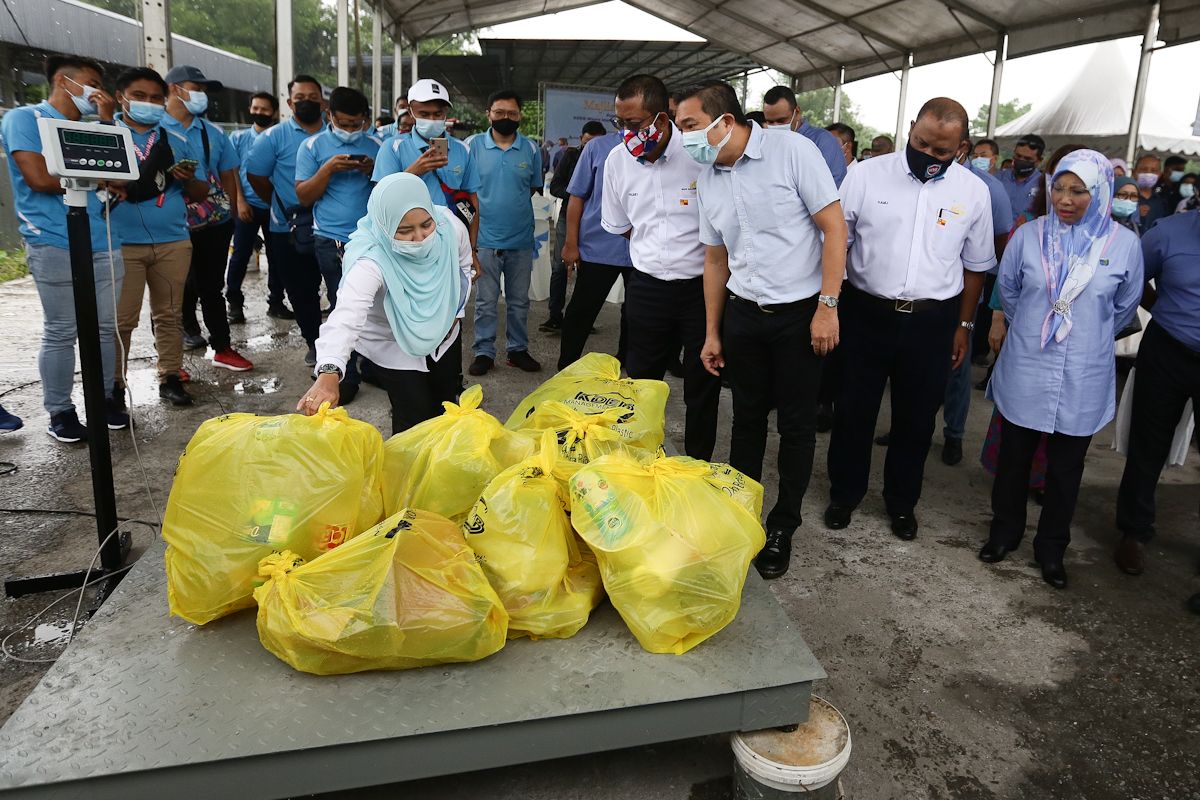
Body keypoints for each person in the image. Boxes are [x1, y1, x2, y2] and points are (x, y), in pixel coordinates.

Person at [678, 81, 846, 580]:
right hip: (744, 314)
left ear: (724, 122)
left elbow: (834, 228)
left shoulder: (792, 151)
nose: (681, 136)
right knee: (747, 419)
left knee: (795, 425)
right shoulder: (707, 174)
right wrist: (713, 332)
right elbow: (714, 258)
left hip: (800, 315)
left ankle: (782, 526)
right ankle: (743, 516)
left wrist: (827, 307)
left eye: (688, 126)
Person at [825, 98, 994, 540]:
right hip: (864, 312)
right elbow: (837, 242)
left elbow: (975, 267)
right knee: (853, 412)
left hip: (932, 322)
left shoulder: (972, 192)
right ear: (912, 128)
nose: (929, 156)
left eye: (942, 152)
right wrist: (829, 305)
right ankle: (845, 494)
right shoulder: (865, 175)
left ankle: (902, 503)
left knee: (917, 420)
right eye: (921, 143)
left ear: (961, 148)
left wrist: (963, 326)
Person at [980, 150, 1143, 589]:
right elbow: (1010, 293)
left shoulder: (1123, 244)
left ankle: (1051, 549)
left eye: (1079, 190)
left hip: (1084, 370)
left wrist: (1083, 332)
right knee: (1014, 459)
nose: (1065, 199)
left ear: (1101, 192)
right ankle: (1004, 533)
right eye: (1059, 188)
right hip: (1028, 363)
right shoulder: (1028, 236)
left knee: (1066, 470)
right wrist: (1038, 323)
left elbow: (1123, 306)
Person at [1, 55, 128, 441]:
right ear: (62, 80)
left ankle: (106, 398)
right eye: (90, 83)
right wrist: (93, 178)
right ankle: (61, 410)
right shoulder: (25, 119)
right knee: (62, 330)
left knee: (107, 328)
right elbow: (39, 177)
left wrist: (107, 124)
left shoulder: (93, 126)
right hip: (53, 239)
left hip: (102, 238)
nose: (97, 93)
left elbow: (118, 173)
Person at [601, 74, 720, 460]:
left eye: (634, 124)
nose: (627, 132)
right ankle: (639, 460)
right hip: (648, 286)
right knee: (641, 380)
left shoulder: (697, 155)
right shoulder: (618, 162)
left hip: (702, 288)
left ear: (662, 119)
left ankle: (697, 463)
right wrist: (655, 253)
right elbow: (621, 226)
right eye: (620, 123)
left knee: (703, 381)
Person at [298, 173, 473, 435]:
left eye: (426, 225)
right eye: (404, 231)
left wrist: (455, 313)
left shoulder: (449, 226)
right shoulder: (370, 259)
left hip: (445, 332)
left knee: (446, 405)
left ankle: (440, 469)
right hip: (393, 342)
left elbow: (463, 268)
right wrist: (329, 372)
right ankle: (408, 473)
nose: (420, 237)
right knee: (413, 417)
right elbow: (346, 315)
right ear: (384, 225)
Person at [1114, 208, 1199, 585]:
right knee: (1148, 443)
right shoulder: (1168, 233)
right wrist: (1164, 307)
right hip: (1168, 349)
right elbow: (1133, 279)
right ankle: (1134, 531)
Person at [108, 67, 201, 408]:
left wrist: (188, 178)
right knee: (122, 320)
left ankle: (171, 377)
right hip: (119, 241)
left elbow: (203, 190)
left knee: (170, 314)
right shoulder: (104, 134)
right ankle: (114, 385)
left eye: (156, 98)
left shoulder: (176, 139)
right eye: (139, 96)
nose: (149, 103)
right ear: (121, 97)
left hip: (172, 240)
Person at [295, 86, 382, 403]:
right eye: (343, 123)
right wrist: (328, 168)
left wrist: (373, 170)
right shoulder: (312, 146)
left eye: (355, 124)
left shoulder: (377, 145)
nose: (349, 130)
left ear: (365, 120)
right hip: (330, 238)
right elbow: (303, 195)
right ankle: (345, 375)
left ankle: (373, 365)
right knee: (341, 303)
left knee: (374, 307)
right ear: (328, 115)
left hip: (371, 239)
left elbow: (388, 190)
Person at [163, 65, 252, 372]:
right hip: (169, 223)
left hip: (213, 222)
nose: (201, 96)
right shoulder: (155, 130)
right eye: (195, 88)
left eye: (203, 90)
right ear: (175, 89)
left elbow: (229, 174)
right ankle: (172, 361)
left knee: (211, 286)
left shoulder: (213, 133)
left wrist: (231, 209)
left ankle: (223, 346)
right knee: (172, 291)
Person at [939, 137, 1012, 465]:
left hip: (963, 295)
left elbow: (996, 244)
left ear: (961, 148)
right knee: (917, 369)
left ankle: (953, 434)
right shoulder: (928, 177)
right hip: (929, 297)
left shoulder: (987, 188)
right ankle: (909, 428)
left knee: (956, 367)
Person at [247, 74, 328, 367]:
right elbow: (256, 176)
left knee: (340, 289)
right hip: (288, 228)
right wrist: (278, 202)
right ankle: (314, 342)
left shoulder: (336, 134)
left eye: (313, 97)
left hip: (333, 228)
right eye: (300, 98)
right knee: (300, 289)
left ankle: (346, 346)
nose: (307, 102)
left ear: (323, 100)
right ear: (289, 101)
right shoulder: (274, 138)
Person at [467, 89, 543, 375]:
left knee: (519, 301)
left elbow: (533, 187)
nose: (506, 118)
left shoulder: (532, 149)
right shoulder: (472, 146)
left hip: (521, 239)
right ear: (488, 114)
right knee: (485, 302)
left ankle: (517, 350)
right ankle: (484, 352)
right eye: (499, 113)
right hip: (484, 239)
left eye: (512, 113)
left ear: (520, 116)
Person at [557, 122, 633, 370]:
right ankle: (567, 366)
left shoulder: (662, 151)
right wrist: (571, 243)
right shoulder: (597, 148)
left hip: (644, 251)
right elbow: (576, 197)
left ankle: (627, 363)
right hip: (598, 247)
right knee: (582, 310)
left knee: (637, 314)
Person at [372, 80, 479, 253]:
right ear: (410, 111)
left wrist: (472, 249)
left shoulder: (462, 150)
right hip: (408, 243)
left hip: (454, 242)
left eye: (438, 114)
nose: (432, 120)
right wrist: (414, 172)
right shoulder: (393, 147)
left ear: (446, 112)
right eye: (424, 113)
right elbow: (380, 198)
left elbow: (472, 200)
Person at [227, 91, 291, 323]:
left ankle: (276, 302)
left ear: (274, 112)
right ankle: (234, 303)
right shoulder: (238, 138)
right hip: (248, 207)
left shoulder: (279, 137)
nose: (258, 113)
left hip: (275, 207)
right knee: (240, 256)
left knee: (277, 257)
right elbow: (232, 171)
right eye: (255, 108)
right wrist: (240, 201)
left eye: (264, 109)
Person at [542, 120, 605, 333]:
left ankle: (583, 318)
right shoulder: (570, 156)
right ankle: (554, 316)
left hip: (596, 221)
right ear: (581, 139)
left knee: (590, 270)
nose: (591, 148)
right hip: (568, 217)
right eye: (587, 143)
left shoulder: (610, 158)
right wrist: (578, 195)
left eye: (596, 143)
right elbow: (556, 186)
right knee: (561, 266)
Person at [761, 85, 846, 187]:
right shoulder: (765, 143)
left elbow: (826, 187)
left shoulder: (822, 141)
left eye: (781, 121)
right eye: (770, 122)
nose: (775, 126)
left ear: (797, 112)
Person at [999, 134, 1044, 224]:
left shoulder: (1043, 185)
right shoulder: (998, 179)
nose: (1021, 160)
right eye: (1018, 156)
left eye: (1027, 158)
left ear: (1039, 161)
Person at [1131, 153, 1170, 233]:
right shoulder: (1125, 197)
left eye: (1153, 171)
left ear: (1159, 175)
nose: (1149, 173)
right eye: (1144, 169)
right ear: (1134, 172)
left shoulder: (1162, 202)